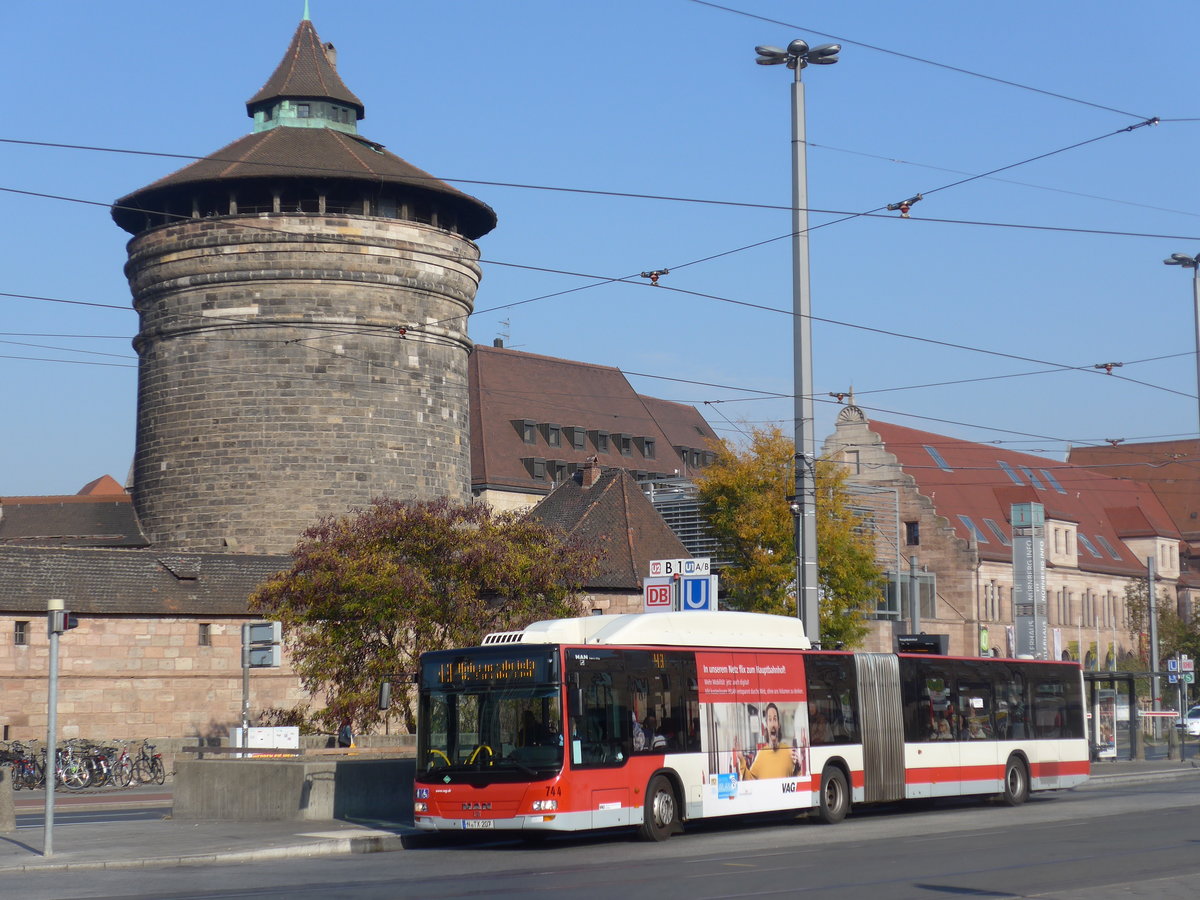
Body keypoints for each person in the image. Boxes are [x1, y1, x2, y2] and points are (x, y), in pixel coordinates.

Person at [734, 703, 799, 779]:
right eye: (770, 720)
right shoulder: (761, 754)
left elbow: (799, 777)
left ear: (779, 725)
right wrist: (741, 759)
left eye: (775, 719)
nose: (772, 724)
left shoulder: (789, 752)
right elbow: (750, 779)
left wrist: (799, 764)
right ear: (767, 726)